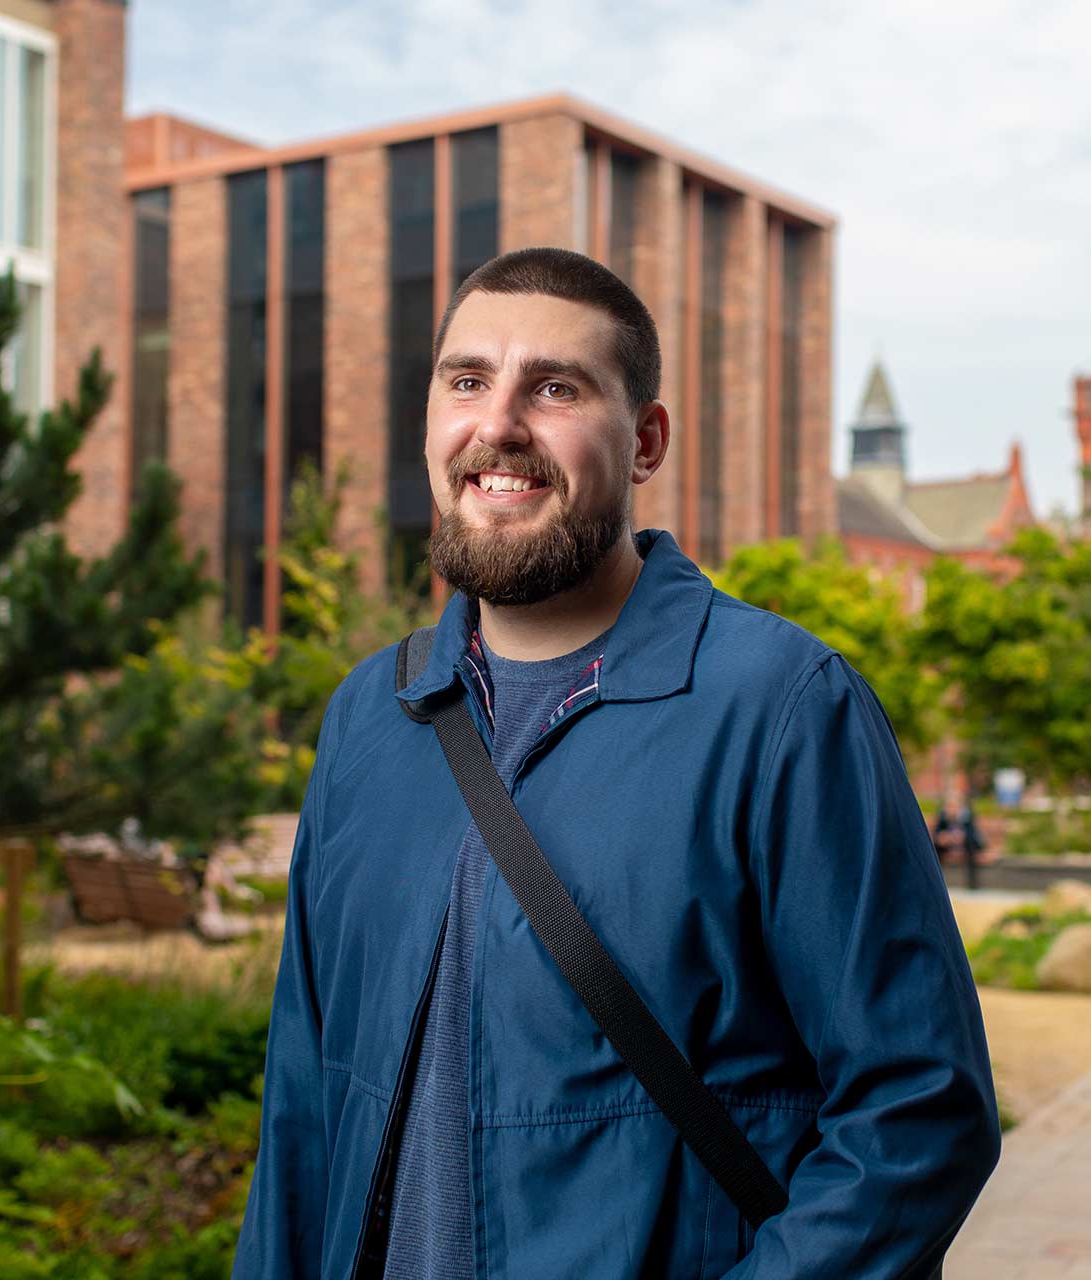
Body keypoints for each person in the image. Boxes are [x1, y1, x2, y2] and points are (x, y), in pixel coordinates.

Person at [233, 247, 999, 1279]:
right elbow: (301, 1108)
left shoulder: (781, 707)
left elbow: (917, 1113)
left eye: (554, 386)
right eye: (467, 380)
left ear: (644, 441)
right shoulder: (372, 716)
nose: (497, 423)